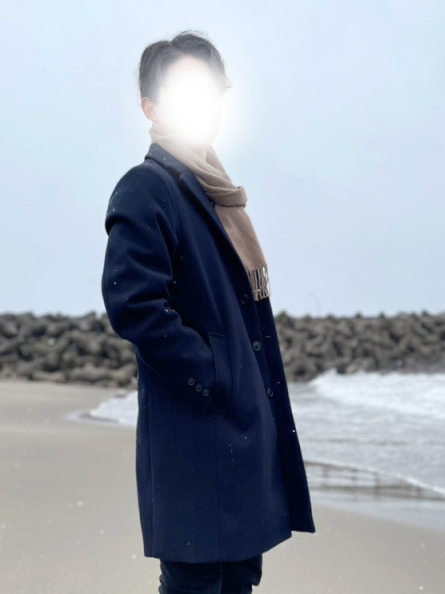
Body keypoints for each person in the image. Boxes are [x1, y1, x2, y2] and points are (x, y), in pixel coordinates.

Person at [101, 30, 315, 594]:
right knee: (195, 582)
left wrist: (242, 389)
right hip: (195, 435)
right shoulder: (147, 187)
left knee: (239, 578)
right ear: (151, 107)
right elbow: (133, 302)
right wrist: (213, 375)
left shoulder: (218, 194)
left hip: (242, 432)